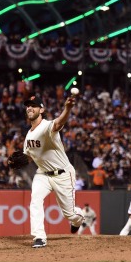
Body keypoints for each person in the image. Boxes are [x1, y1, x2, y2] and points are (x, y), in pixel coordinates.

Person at [21, 94, 85, 248]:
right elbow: (29, 156)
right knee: (35, 199)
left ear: (41, 109)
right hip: (42, 173)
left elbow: (59, 123)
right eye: (28, 105)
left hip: (62, 174)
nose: (29, 108)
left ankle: (80, 218)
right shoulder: (29, 134)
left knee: (70, 214)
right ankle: (39, 237)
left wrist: (67, 109)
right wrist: (20, 161)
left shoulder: (47, 126)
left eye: (33, 105)